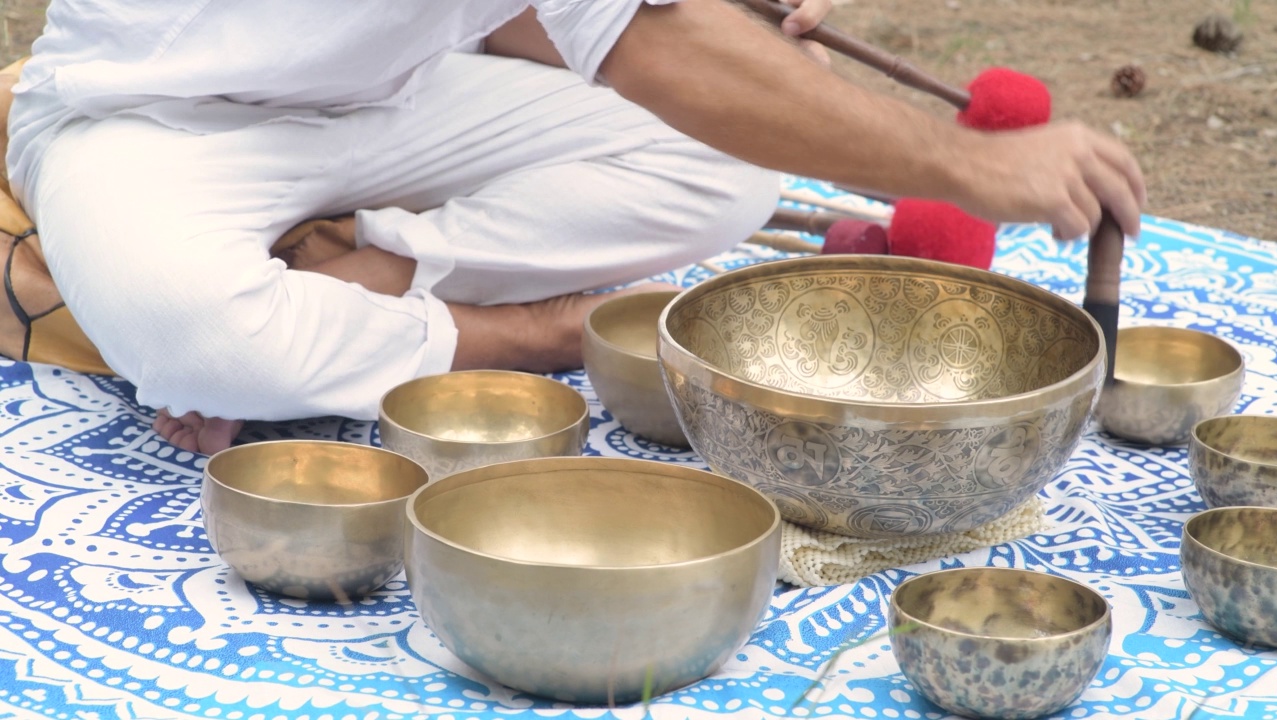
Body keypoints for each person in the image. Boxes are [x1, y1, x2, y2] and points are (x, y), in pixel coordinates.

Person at [4, 0, 1145, 456]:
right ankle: (539, 333)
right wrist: (962, 162)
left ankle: (378, 273)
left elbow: (558, 25)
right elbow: (659, 49)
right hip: (144, 123)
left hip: (399, 99)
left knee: (737, 154)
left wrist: (746, 40)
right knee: (182, 324)